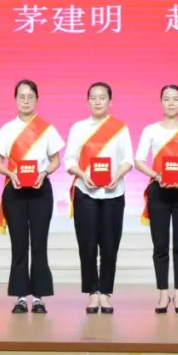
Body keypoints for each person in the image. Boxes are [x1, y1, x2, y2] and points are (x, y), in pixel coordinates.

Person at [0, 79, 65, 314]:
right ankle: (21, 297)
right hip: (15, 191)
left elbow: (56, 160)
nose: (26, 101)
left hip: (40, 190)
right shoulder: (7, 129)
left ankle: (39, 297)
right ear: (15, 100)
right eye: (21, 96)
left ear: (37, 99)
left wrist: (44, 172)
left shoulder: (46, 128)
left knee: (39, 244)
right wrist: (9, 173)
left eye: (30, 96)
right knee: (19, 244)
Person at [134, 85, 178, 314]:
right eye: (166, 99)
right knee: (160, 245)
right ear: (161, 102)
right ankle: (163, 292)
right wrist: (155, 175)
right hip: (159, 190)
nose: (171, 103)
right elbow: (138, 160)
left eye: (175, 99)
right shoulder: (150, 130)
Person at [64, 82, 134, 315]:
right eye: (93, 97)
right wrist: (83, 175)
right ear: (87, 101)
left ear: (110, 101)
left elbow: (128, 160)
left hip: (114, 193)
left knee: (110, 244)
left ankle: (106, 292)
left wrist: (117, 176)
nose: (97, 101)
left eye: (102, 97)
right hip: (85, 192)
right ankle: (92, 292)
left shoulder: (120, 128)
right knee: (87, 244)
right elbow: (69, 160)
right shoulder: (78, 128)